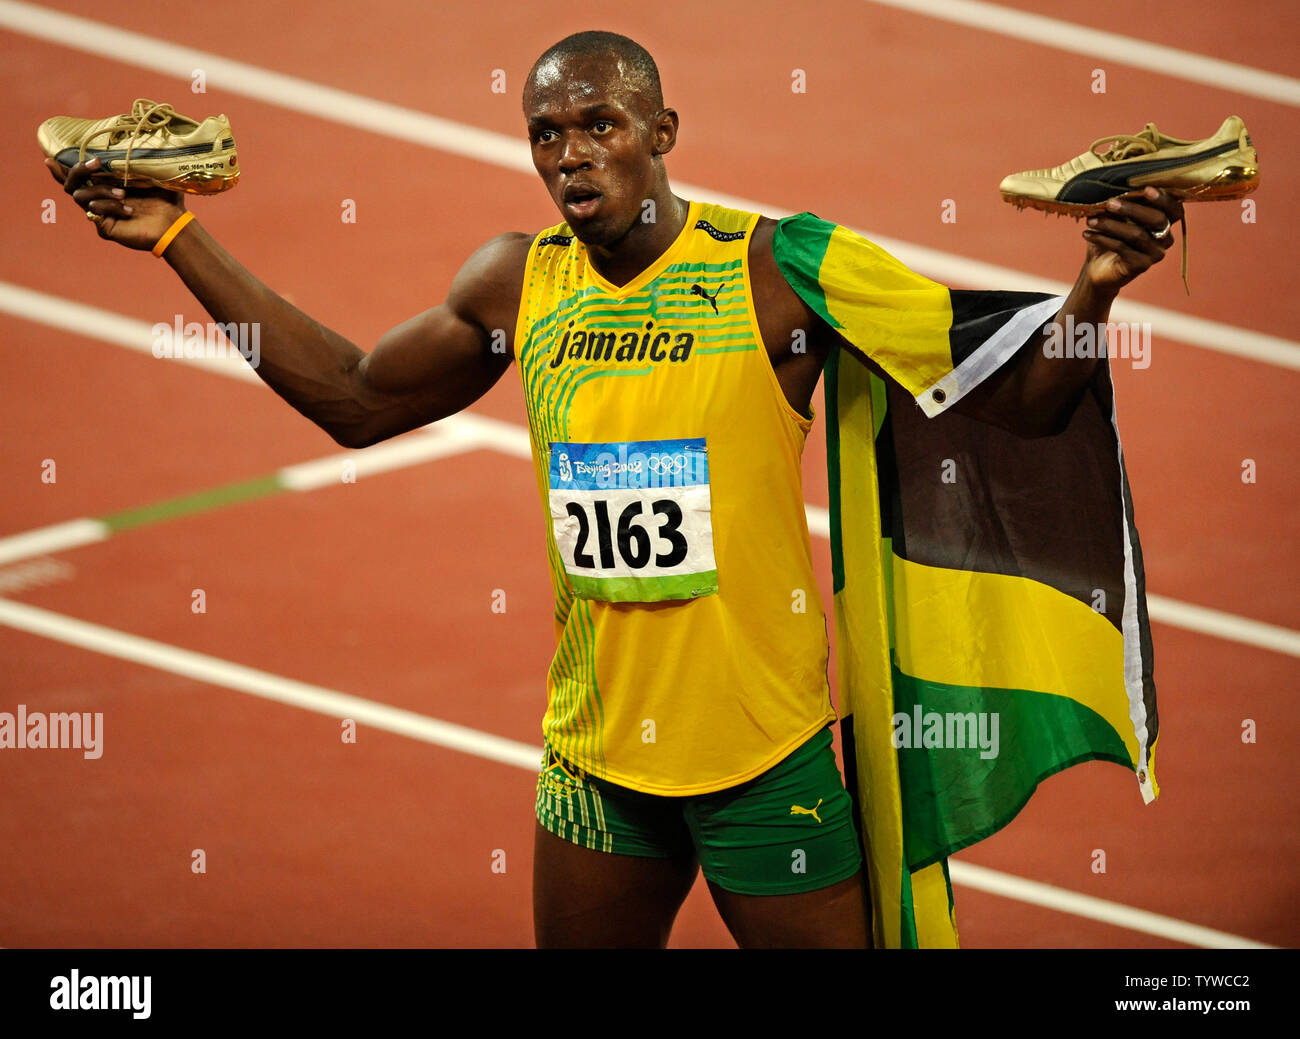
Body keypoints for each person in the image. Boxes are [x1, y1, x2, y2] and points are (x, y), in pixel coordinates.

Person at [45, 30, 1182, 949]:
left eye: (600, 125)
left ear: (663, 132)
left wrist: (1094, 285)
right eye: (548, 133)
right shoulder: (515, 281)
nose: (573, 154)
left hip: (760, 760)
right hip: (594, 763)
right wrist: (178, 238)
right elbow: (354, 398)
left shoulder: (780, 270)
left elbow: (1021, 399)